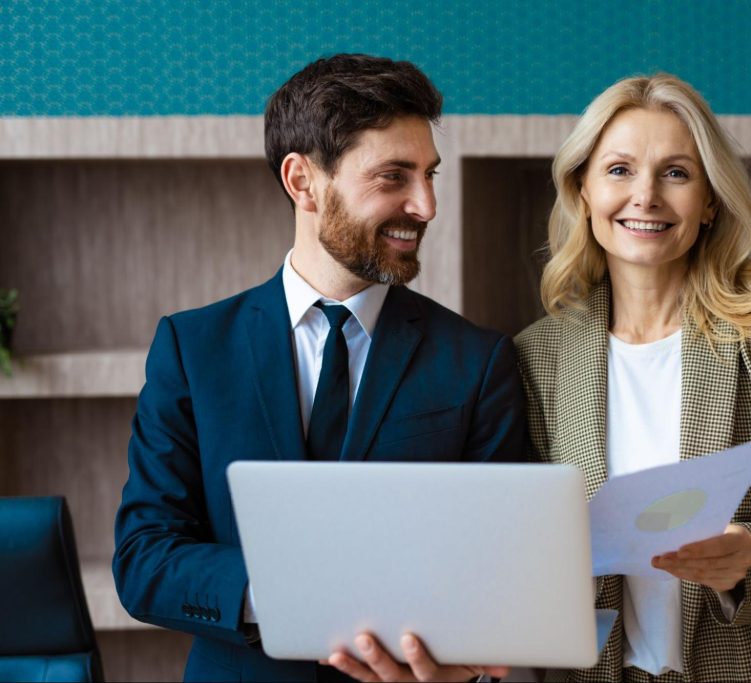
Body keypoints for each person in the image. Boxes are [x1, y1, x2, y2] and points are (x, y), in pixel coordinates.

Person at [113, 54, 525, 683]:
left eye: (429, 175)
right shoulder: (192, 349)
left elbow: (504, 564)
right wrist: (287, 597)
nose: (426, 205)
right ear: (302, 181)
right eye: (394, 177)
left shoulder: (479, 359)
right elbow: (145, 559)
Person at [513, 74, 751, 682]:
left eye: (676, 173)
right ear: (582, 191)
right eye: (619, 170)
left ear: (709, 201)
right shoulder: (537, 356)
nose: (646, 196)